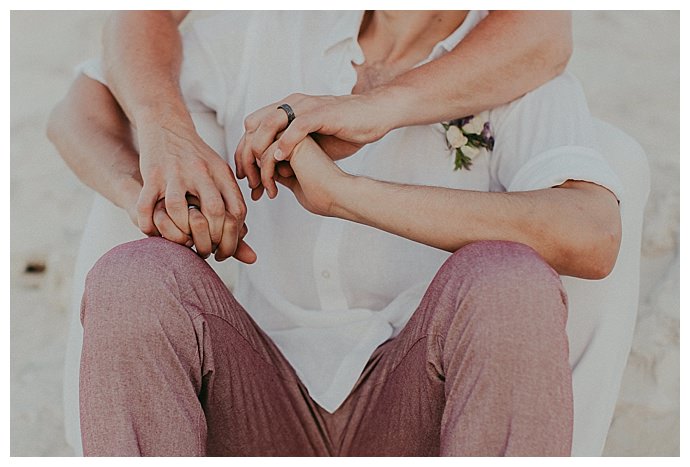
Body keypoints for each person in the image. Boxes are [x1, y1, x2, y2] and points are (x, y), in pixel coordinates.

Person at [48, 11, 624, 456]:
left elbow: (592, 233)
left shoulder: (520, 68)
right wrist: (152, 176)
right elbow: (80, 105)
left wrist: (350, 197)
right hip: (251, 396)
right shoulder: (271, 26)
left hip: (420, 405)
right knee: (137, 278)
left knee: (509, 280)